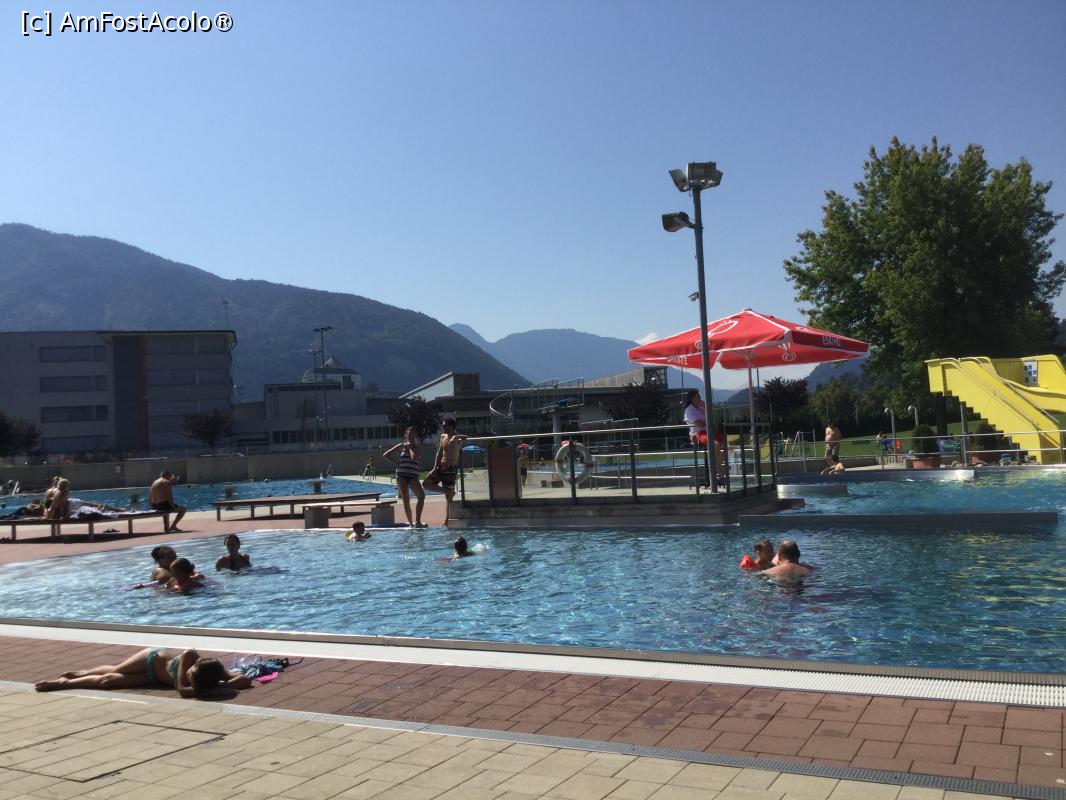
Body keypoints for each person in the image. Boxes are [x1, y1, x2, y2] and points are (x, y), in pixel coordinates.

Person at [34, 647, 253, 698]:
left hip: (153, 678)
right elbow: (182, 690)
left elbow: (244, 679)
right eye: (191, 675)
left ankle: (65, 683)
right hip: (151, 659)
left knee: (108, 682)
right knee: (117, 670)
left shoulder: (213, 673)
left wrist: (221, 685)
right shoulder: (190, 657)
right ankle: (76, 676)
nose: (189, 676)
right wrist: (214, 690)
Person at [422, 417, 465, 526]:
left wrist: (456, 437)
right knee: (426, 483)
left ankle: (446, 521)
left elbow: (467, 438)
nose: (443, 428)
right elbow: (439, 453)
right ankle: (448, 491)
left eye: (445, 426)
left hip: (451, 468)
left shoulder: (457, 439)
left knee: (448, 498)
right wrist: (434, 468)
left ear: (451, 426)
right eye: (443, 426)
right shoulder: (443, 437)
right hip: (441, 467)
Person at [384, 427, 426, 528]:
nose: (410, 437)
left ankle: (418, 521)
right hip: (401, 475)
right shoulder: (401, 445)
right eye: (409, 435)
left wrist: (409, 448)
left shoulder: (419, 447)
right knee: (406, 499)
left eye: (412, 435)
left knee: (421, 496)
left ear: (415, 436)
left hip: (413, 476)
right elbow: (386, 455)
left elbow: (414, 458)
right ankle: (411, 523)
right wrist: (396, 463)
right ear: (406, 435)